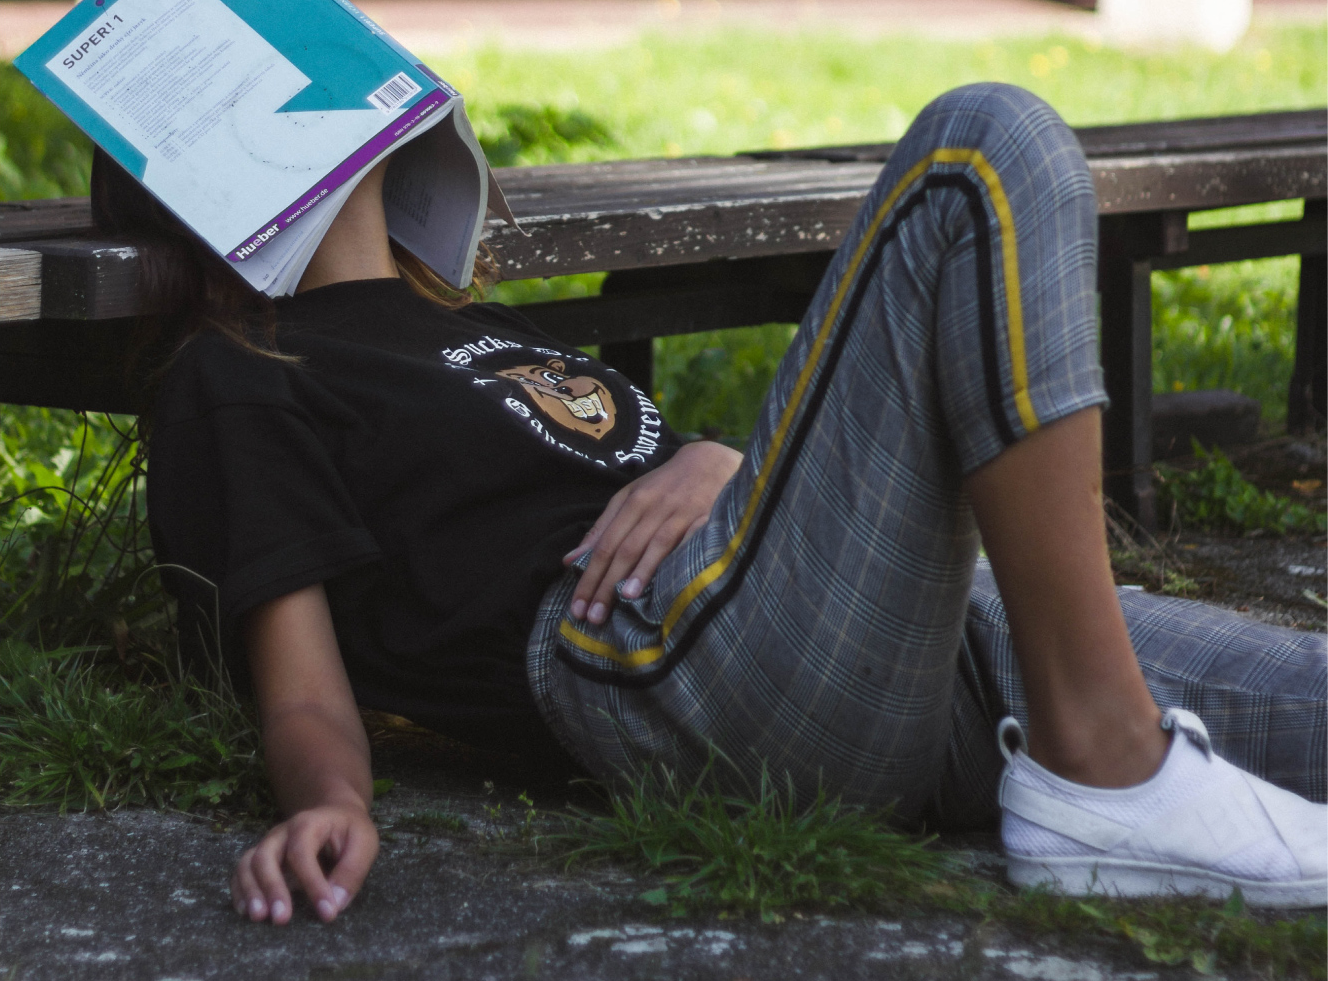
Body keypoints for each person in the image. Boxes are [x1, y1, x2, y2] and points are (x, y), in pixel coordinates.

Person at [95, 84, 1325, 927]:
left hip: (906, 636)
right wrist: (329, 804)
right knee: (982, 147)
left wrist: (717, 457)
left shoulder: (465, 327)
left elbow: (717, 487)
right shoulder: (242, 373)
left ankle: (1091, 748)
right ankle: (1103, 765)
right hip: (679, 668)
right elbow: (305, 686)